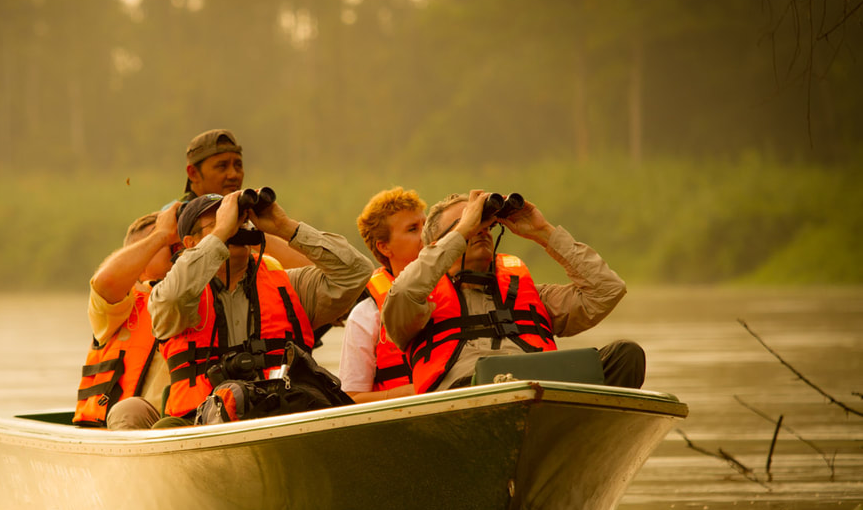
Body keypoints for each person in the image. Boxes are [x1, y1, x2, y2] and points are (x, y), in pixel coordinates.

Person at [382, 190, 645, 393]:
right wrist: (463, 231)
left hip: (544, 391)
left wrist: (544, 233)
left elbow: (607, 290)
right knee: (495, 388)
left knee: (626, 355)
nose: (480, 229)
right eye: (468, 223)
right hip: (467, 399)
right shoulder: (419, 304)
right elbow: (403, 293)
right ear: (436, 244)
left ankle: (578, 437)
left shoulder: (530, 295)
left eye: (485, 223)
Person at [148, 190, 373, 423]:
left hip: (283, 415)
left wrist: (285, 227)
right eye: (219, 221)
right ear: (190, 243)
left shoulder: (289, 287)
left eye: (240, 220)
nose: (234, 226)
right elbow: (172, 298)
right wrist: (222, 232)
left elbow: (356, 272)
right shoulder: (173, 297)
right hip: (201, 425)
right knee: (166, 426)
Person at [73, 203, 180, 429]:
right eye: (169, 243)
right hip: (137, 424)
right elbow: (106, 282)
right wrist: (160, 235)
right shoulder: (120, 304)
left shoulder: (208, 289)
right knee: (130, 410)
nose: (177, 247)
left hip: (193, 417)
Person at [338, 187, 427, 403]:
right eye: (413, 229)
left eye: (427, 225)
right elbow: (351, 398)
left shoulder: (460, 292)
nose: (426, 234)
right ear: (384, 247)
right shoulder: (366, 315)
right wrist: (407, 393)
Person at [179, 128, 310, 268]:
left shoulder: (248, 220)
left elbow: (308, 267)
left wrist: (254, 227)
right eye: (222, 166)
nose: (233, 174)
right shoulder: (173, 223)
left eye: (238, 165)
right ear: (193, 173)